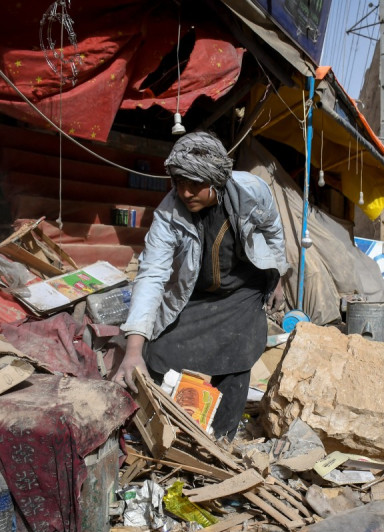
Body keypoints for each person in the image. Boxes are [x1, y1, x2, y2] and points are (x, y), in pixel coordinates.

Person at [112, 131, 288, 440]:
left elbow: (273, 230)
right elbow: (152, 274)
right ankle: (162, 432)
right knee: (157, 353)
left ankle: (221, 440)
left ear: (215, 181)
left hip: (243, 290)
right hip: (196, 295)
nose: (185, 192)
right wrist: (133, 350)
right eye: (179, 183)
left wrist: (278, 278)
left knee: (237, 354)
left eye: (194, 184)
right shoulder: (168, 213)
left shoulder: (252, 191)